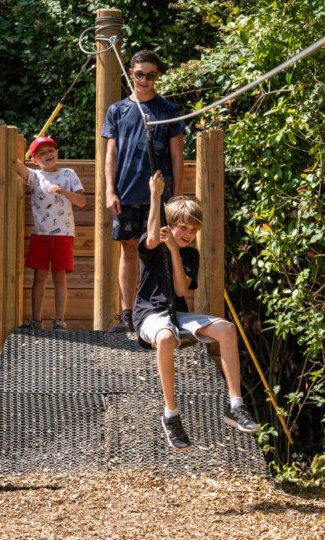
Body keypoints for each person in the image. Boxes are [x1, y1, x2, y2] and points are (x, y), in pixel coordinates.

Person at [135, 171, 260, 450]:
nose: (190, 235)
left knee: (227, 329)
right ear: (171, 225)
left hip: (176, 313)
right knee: (165, 338)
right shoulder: (152, 245)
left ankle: (235, 407)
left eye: (194, 231)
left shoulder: (190, 254)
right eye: (185, 229)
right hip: (149, 315)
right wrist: (155, 196)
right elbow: (153, 237)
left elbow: (181, 290)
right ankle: (171, 415)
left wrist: (176, 252)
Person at [101, 49, 185, 333]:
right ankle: (127, 314)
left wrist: (175, 199)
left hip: (159, 194)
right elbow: (110, 154)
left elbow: (176, 157)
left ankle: (158, 309)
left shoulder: (169, 110)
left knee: (159, 249)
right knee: (127, 251)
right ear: (131, 74)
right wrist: (109, 191)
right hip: (126, 192)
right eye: (139, 74)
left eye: (150, 75)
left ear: (158, 76)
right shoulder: (117, 110)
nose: (144, 80)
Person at [16, 136, 86, 331]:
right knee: (39, 277)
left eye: (51, 150)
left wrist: (64, 192)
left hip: (63, 234)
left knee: (59, 277)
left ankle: (59, 321)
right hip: (40, 234)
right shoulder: (34, 176)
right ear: (34, 160)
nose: (48, 155)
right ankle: (36, 321)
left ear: (57, 152)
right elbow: (13, 162)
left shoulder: (68, 174)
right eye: (42, 153)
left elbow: (82, 202)